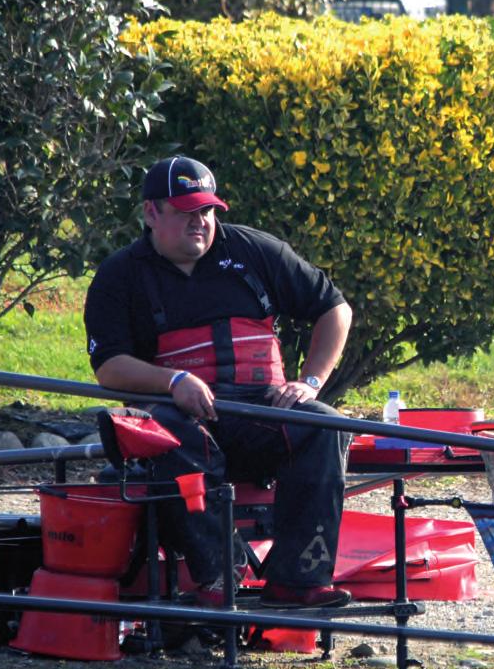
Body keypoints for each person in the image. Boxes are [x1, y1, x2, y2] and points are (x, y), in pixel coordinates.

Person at [83, 156, 354, 608]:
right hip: (180, 418)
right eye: (187, 211)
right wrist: (173, 382)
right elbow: (109, 366)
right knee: (172, 434)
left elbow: (335, 308)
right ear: (152, 213)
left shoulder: (255, 251)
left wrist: (310, 381)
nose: (200, 222)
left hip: (260, 411)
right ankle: (218, 577)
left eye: (207, 211)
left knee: (326, 426)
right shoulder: (119, 275)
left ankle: (299, 581)